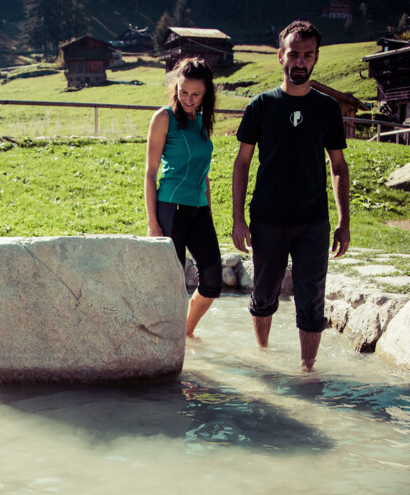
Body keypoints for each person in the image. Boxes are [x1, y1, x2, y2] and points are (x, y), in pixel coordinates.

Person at [230, 20, 351, 371]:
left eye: (307, 55)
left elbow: (339, 166)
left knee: (312, 297)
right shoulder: (261, 105)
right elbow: (242, 164)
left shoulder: (327, 108)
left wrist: (343, 222)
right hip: (268, 217)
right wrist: (238, 219)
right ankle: (263, 357)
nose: (300, 61)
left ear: (315, 59)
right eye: (294, 54)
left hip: (313, 219)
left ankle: (307, 371)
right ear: (280, 56)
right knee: (264, 292)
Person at [144, 57, 223, 338]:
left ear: (206, 95)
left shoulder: (202, 122)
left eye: (196, 94)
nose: (188, 99)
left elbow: (204, 173)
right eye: (183, 92)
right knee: (171, 284)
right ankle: (165, 343)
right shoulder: (164, 118)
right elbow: (150, 173)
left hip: (199, 209)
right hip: (171, 208)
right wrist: (153, 223)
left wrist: (209, 211)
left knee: (213, 281)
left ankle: (184, 334)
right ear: (176, 87)